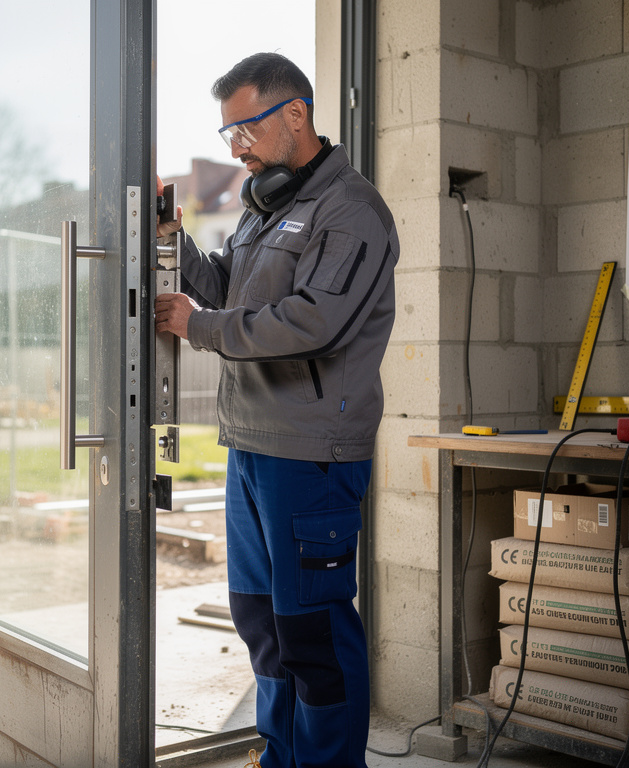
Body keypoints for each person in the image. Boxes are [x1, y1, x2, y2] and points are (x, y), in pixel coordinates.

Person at [155, 52, 399, 768]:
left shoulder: (351, 210)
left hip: (312, 450)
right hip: (252, 445)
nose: (237, 147)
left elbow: (311, 321)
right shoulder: (271, 205)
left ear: (296, 113)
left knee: (314, 631)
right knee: (262, 621)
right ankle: (280, 755)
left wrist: (197, 326)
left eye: (246, 128)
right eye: (227, 133)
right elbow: (231, 286)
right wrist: (173, 238)